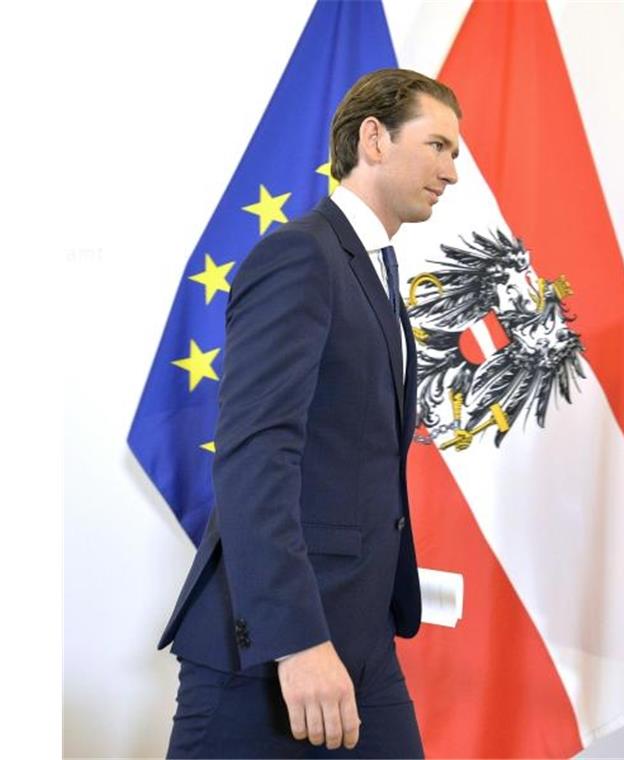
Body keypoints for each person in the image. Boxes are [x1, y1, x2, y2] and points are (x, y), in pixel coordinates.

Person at [157, 68, 461, 758]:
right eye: (438, 146)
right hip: (269, 655)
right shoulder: (300, 254)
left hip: (362, 639)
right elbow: (254, 455)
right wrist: (297, 643)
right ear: (374, 139)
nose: (451, 171)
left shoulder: (373, 270)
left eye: (454, 154)